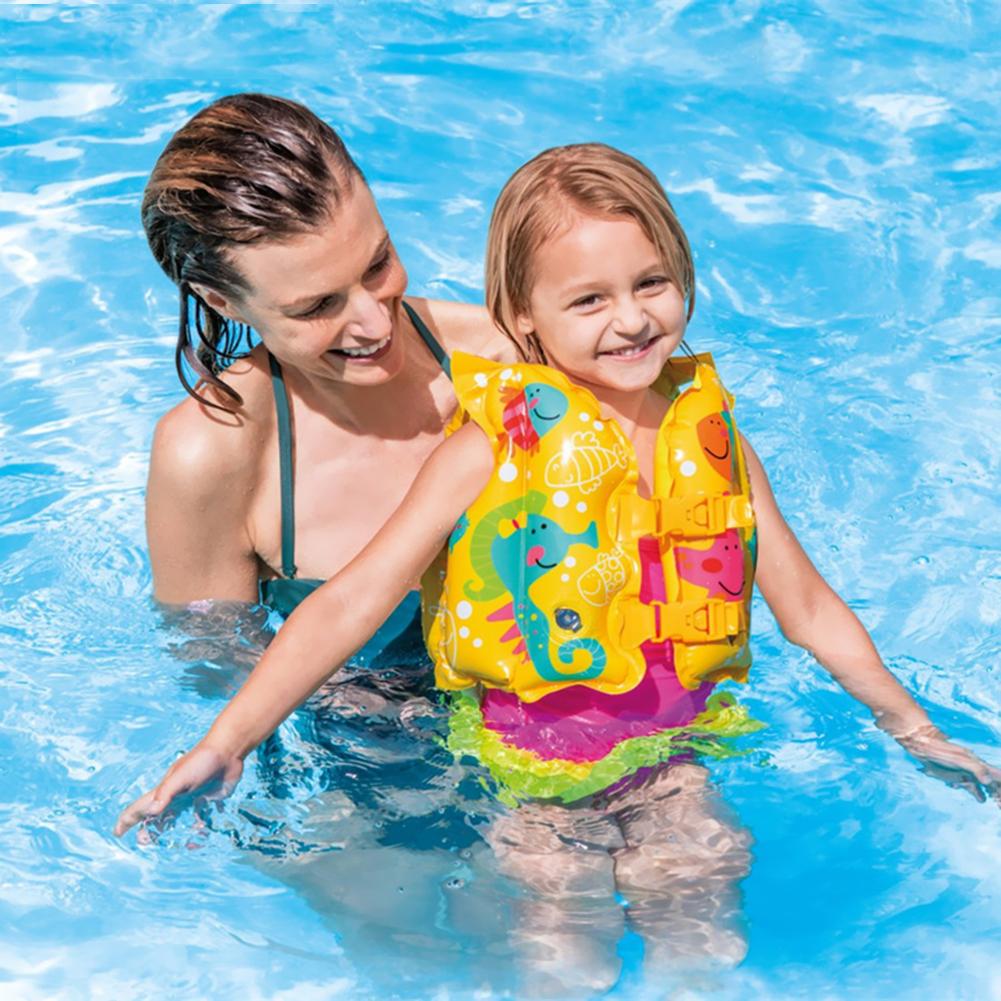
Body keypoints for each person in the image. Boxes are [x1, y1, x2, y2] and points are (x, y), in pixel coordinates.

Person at [117, 142, 1000, 990]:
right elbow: (353, 598)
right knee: (555, 961)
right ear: (526, 319)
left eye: (651, 283)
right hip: (513, 773)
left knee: (706, 940)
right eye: (590, 300)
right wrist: (226, 740)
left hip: (669, 756)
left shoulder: (702, 435)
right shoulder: (488, 441)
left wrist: (914, 729)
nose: (631, 319)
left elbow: (805, 604)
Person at [141, 92, 511, 642]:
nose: (376, 324)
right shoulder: (211, 455)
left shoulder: (508, 359)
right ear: (221, 301)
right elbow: (219, 661)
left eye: (378, 264)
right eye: (318, 306)